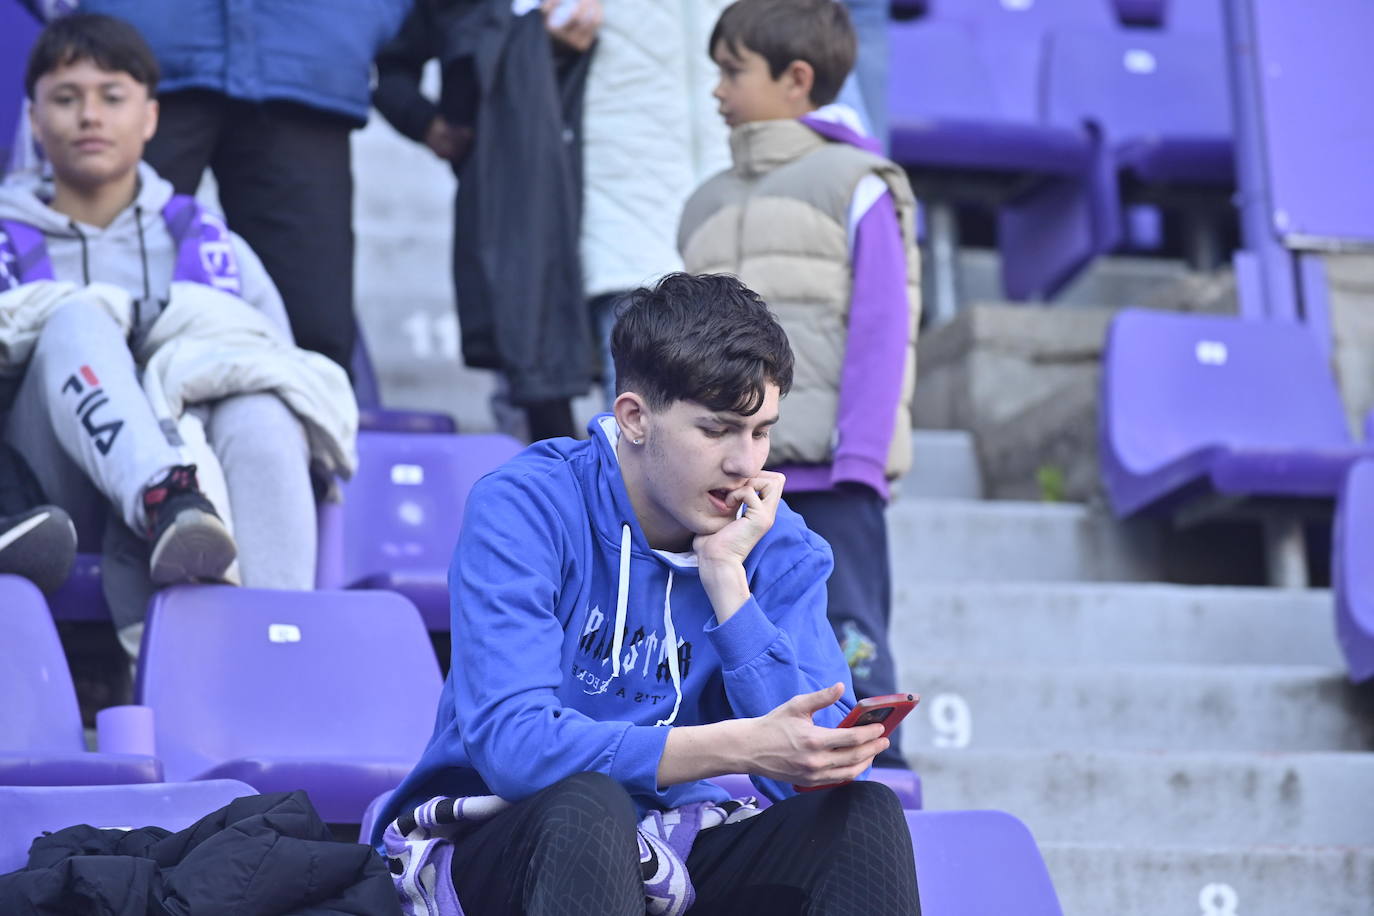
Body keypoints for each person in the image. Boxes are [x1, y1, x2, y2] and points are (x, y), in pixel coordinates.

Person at [372, 272, 917, 915]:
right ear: (635, 417)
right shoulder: (528, 505)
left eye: (761, 431)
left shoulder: (775, 543)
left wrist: (729, 591)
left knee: (862, 813)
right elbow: (516, 748)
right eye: (716, 431)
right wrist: (737, 745)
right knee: (588, 804)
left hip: (672, 842)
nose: (746, 463)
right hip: (497, 836)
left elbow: (814, 760)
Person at [0, 14, 355, 645]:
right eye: (65, 98)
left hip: (207, 483)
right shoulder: (4, 239)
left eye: (112, 97)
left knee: (262, 405)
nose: (89, 116)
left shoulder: (212, 244)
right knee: (78, 318)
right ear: (32, 120)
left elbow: (283, 368)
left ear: (151, 118)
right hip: (48, 495)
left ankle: (283, 643)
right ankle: (166, 497)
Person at [678, 0, 921, 767]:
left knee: (848, 637)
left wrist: (862, 458)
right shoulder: (704, 202)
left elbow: (885, 330)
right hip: (728, 483)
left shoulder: (859, 181)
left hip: (829, 470)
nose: (716, 89)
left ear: (798, 79)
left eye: (732, 71)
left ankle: (875, 774)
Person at [76, 0, 412, 375]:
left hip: (304, 49)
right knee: (101, 303)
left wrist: (358, 19)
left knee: (311, 332)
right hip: (138, 46)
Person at [373, 0, 601, 441]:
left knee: (637, 386)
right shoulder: (454, 10)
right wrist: (428, 123)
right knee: (532, 394)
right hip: (508, 211)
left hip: (613, 195)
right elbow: (390, 70)